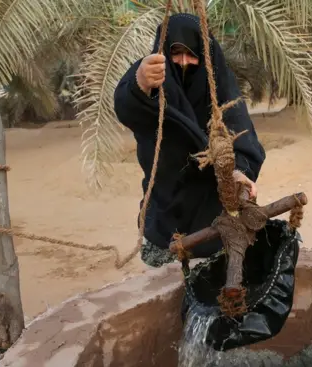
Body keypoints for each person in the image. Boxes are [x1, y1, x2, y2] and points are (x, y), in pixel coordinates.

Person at [114, 13, 266, 267]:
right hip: (165, 209)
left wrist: (239, 172)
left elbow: (239, 130)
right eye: (176, 53)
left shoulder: (219, 83)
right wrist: (140, 83)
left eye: (192, 54)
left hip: (212, 207)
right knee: (164, 289)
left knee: (218, 283)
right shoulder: (151, 76)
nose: (184, 62)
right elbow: (127, 107)